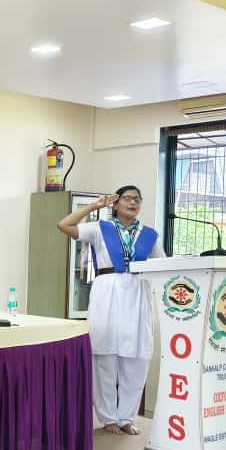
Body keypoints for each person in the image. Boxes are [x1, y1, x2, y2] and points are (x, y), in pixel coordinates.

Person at [57, 186, 164, 435]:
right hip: (107, 291)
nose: (133, 202)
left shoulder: (150, 235)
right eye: (127, 198)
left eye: (137, 199)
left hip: (138, 293)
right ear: (115, 204)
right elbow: (64, 225)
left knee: (137, 358)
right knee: (104, 358)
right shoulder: (100, 228)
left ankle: (126, 417)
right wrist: (95, 206)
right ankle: (108, 418)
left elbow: (163, 265)